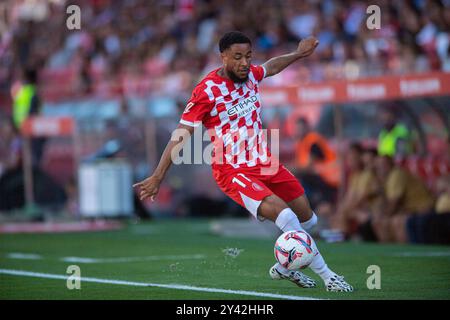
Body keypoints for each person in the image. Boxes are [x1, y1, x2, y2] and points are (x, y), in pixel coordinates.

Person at [134, 31, 353, 292]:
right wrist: (158, 176)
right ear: (223, 57)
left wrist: (298, 53)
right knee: (285, 217)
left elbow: (269, 68)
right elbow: (180, 135)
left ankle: (284, 268)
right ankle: (329, 277)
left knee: (309, 220)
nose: (244, 63)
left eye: (248, 56)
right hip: (233, 170)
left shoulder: (250, 76)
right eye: (237, 57)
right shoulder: (206, 91)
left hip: (264, 162)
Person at [371, 155, 435, 243]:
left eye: (383, 164)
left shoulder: (396, 174)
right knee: (379, 221)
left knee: (396, 221)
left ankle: (404, 251)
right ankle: (388, 251)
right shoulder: (385, 179)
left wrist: (384, 215)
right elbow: (386, 203)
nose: (381, 168)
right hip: (410, 210)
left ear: (391, 164)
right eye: (378, 165)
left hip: (423, 209)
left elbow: (394, 203)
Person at [294, 117, 339, 208]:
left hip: (328, 179)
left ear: (307, 127)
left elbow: (308, 165)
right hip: (320, 177)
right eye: (298, 129)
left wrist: (289, 169)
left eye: (301, 128)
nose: (299, 131)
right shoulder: (302, 142)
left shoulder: (313, 141)